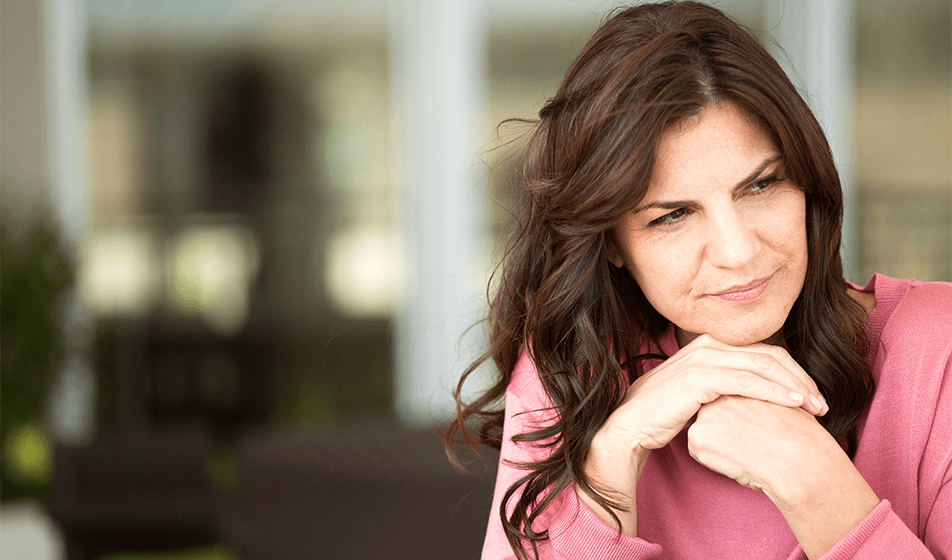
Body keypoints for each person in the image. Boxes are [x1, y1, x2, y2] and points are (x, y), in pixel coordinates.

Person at [444, 2, 952, 559]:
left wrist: (813, 487)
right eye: (672, 216)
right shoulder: (571, 372)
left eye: (761, 186)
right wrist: (614, 454)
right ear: (610, 241)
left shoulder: (938, 349)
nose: (738, 252)